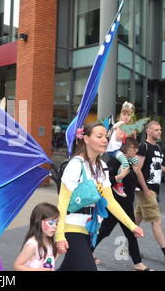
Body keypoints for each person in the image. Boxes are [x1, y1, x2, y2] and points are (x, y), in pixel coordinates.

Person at [55, 123, 143, 271]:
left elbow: (111, 202)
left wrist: (132, 225)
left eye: (106, 137)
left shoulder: (101, 166)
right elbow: (62, 203)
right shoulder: (76, 165)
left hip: (90, 229)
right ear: (86, 139)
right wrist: (59, 236)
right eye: (99, 136)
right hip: (72, 228)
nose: (104, 140)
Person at [92, 138, 152, 271]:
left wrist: (136, 173)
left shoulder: (131, 163)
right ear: (124, 149)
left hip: (127, 205)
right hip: (115, 206)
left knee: (130, 233)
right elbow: (105, 182)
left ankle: (138, 263)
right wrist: (119, 177)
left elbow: (131, 183)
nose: (136, 150)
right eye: (133, 148)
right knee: (104, 232)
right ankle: (87, 252)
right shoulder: (114, 161)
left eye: (137, 148)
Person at [134, 120, 165, 267]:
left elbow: (159, 167)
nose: (160, 132)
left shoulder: (157, 148)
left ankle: (128, 248)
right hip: (147, 190)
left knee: (136, 220)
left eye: (160, 129)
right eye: (156, 130)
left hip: (153, 190)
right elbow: (137, 169)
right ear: (148, 131)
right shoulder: (143, 146)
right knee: (156, 221)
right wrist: (145, 190)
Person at [14, 203, 59, 271]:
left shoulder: (48, 241)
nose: (55, 226)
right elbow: (17, 266)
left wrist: (58, 252)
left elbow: (49, 262)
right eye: (51, 223)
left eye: (57, 223)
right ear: (38, 221)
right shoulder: (33, 245)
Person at [106, 101, 138, 198]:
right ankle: (118, 185)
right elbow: (119, 137)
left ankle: (132, 183)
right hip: (113, 150)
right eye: (124, 114)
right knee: (125, 162)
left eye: (128, 115)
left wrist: (133, 134)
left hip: (119, 150)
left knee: (135, 160)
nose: (126, 117)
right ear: (120, 115)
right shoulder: (119, 125)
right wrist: (129, 133)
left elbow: (131, 141)